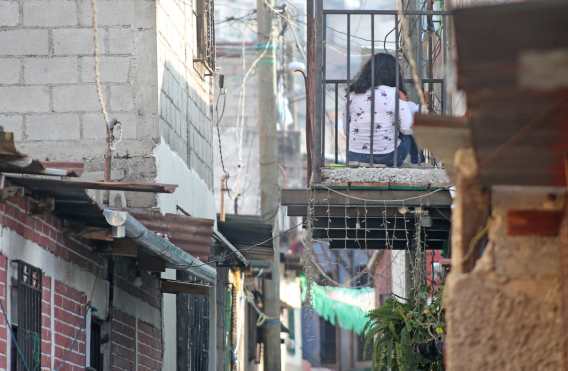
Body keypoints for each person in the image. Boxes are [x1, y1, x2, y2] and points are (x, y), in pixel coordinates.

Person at [346, 53, 424, 167]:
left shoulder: (352, 95)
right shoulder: (393, 93)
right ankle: (416, 162)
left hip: (354, 155)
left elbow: (346, 129)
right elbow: (407, 128)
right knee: (409, 134)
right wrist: (403, 103)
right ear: (394, 74)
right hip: (387, 157)